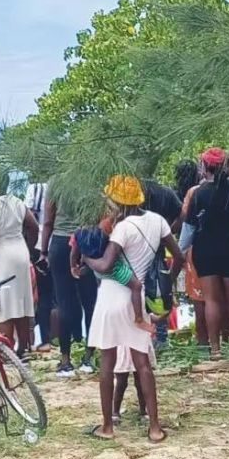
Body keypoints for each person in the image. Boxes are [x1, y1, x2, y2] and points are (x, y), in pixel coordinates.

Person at [81, 176, 178, 443]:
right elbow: (178, 257)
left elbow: (105, 265)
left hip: (112, 297)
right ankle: (155, 428)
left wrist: (85, 256)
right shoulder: (157, 221)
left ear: (118, 202)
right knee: (142, 364)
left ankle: (107, 427)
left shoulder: (122, 228)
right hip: (139, 296)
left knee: (107, 365)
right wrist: (166, 288)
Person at [187, 148, 229, 358]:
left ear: (204, 166)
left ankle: (215, 350)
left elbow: (190, 227)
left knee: (211, 300)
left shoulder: (198, 193)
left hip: (205, 250)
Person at [0, 173, 40, 356]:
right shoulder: (17, 202)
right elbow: (34, 227)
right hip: (20, 253)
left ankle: (6, 348)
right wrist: (27, 248)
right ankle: (24, 347)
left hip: (2, 255)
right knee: (21, 300)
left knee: (4, 302)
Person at [43, 189, 98, 377]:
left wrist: (43, 250)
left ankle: (65, 360)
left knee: (63, 301)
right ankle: (89, 357)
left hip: (60, 242)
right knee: (90, 302)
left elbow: (48, 221)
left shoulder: (57, 183)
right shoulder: (92, 179)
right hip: (88, 240)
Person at [70, 220, 146, 328]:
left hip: (96, 271)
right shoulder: (106, 230)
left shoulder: (78, 232)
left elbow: (73, 253)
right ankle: (139, 319)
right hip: (113, 269)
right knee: (136, 286)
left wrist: (73, 267)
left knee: (101, 291)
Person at [142, 179, 181, 347]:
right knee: (159, 292)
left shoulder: (130, 190)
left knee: (139, 293)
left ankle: (145, 338)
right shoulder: (165, 192)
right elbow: (182, 213)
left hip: (134, 252)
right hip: (157, 249)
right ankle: (161, 337)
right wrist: (169, 231)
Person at [174, 160, 208, 345]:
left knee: (199, 296)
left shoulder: (194, 193)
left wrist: (179, 251)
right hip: (226, 247)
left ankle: (203, 341)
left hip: (197, 250)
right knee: (218, 297)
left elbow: (187, 226)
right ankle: (221, 339)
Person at [25, 178, 57, 351]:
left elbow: (28, 219)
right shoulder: (61, 186)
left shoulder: (34, 189)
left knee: (43, 295)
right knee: (58, 296)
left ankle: (45, 339)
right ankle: (59, 338)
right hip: (61, 243)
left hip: (39, 246)